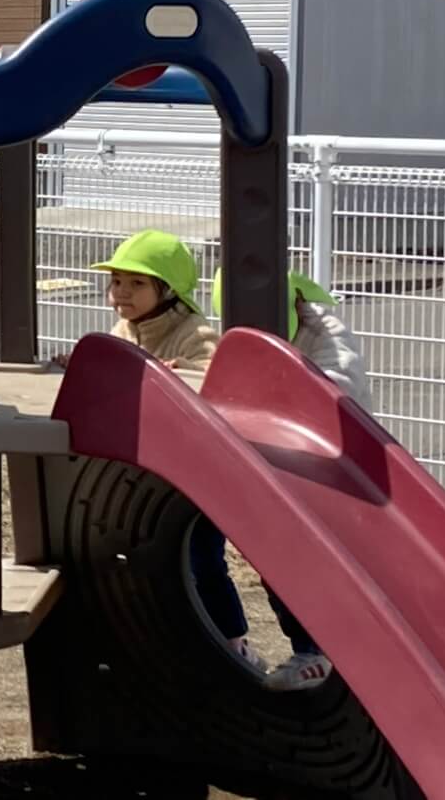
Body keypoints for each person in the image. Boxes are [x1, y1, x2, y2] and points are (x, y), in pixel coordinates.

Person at [54, 230, 265, 671]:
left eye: (137, 283)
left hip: (199, 474)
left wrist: (183, 371)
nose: (121, 293)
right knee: (142, 559)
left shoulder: (193, 332)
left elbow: (213, 377)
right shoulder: (123, 331)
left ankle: (233, 641)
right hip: (146, 470)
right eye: (116, 282)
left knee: (203, 557)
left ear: (168, 290)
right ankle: (166, 644)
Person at [212, 268, 373, 689]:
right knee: (278, 560)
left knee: (310, 564)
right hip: (285, 468)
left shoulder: (326, 336)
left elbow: (340, 392)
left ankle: (321, 652)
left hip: (339, 471)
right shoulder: (246, 340)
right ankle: (312, 653)